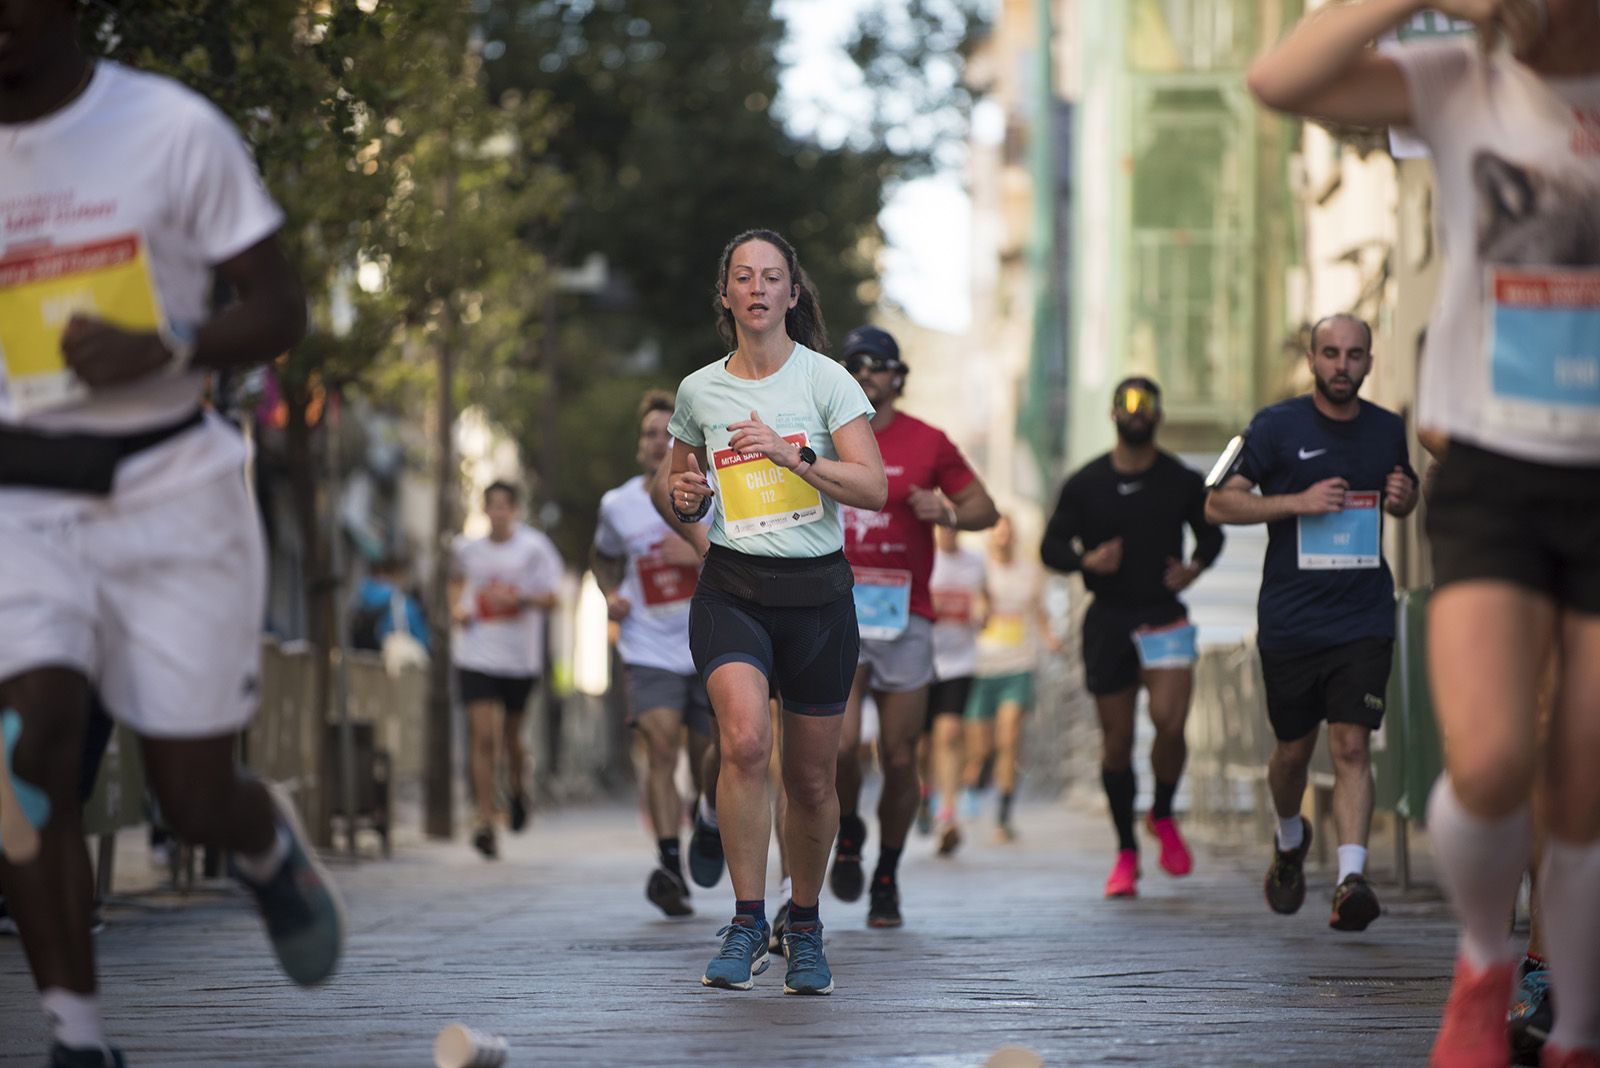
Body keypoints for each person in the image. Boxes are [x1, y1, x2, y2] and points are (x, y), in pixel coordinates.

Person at [1249, 3, 1600, 1062]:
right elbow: (1282, 80)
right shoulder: (1459, 79)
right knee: (1490, 758)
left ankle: (1575, 1022)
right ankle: (1483, 960)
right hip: (1497, 466)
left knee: (1584, 780)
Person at [0, 5, 342, 1063]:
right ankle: (77, 1038)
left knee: (189, 795)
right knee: (26, 755)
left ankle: (260, 842)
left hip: (170, 489)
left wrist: (170, 342)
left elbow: (279, 309)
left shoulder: (169, 128)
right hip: (20, 501)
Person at [662, 228, 885, 995]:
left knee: (813, 779)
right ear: (725, 295)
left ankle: (806, 927)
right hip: (734, 592)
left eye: (771, 277)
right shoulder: (699, 392)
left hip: (818, 600)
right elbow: (680, 489)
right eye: (743, 277)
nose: (757, 288)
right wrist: (687, 501)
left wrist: (795, 456)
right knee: (746, 741)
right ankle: (746, 920)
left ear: (792, 293)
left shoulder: (827, 381)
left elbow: (874, 487)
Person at [1205, 314, 1419, 932]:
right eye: (1330, 353)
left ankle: (1352, 880)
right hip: (1291, 619)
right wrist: (1297, 502)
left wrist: (1405, 499)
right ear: (1312, 360)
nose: (1341, 365)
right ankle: (1289, 835)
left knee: (1351, 745)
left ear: (1369, 362)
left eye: (1353, 355)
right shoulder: (1274, 426)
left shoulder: (1387, 428)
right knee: (1292, 753)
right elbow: (1216, 502)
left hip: (1363, 614)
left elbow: (1402, 495)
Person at [828, 324, 998, 928]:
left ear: (898, 377)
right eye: (853, 364)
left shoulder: (928, 441)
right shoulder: (821, 435)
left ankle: (887, 874)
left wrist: (946, 510)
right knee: (838, 747)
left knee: (900, 757)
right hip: (836, 612)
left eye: (876, 365)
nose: (865, 374)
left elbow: (985, 509)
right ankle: (850, 831)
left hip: (905, 619)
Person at [1041, 377, 1224, 898]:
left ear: (1159, 415)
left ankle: (1162, 813)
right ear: (1113, 413)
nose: (1137, 412)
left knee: (1170, 721)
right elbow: (1051, 547)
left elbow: (1212, 533)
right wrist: (1086, 561)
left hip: (1163, 614)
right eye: (1128, 403)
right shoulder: (1086, 483)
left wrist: (1194, 568)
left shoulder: (1181, 480)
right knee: (1117, 744)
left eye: (1147, 404)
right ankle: (1125, 851)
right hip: (1109, 620)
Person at [593, 389, 714, 918]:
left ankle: (707, 816)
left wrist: (694, 551)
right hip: (647, 647)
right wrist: (610, 594)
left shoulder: (713, 493)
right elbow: (602, 556)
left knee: (713, 757)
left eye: (668, 433)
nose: (657, 442)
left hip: (708, 640)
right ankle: (670, 865)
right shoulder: (617, 505)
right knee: (661, 748)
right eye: (648, 434)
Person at [450, 481, 562, 860]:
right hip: (476, 654)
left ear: (514, 510)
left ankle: (517, 790)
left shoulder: (534, 548)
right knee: (483, 737)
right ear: (484, 510)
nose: (498, 512)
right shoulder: (467, 549)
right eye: (492, 505)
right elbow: (454, 584)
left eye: (504, 506)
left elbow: (554, 598)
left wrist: (519, 599)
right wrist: (457, 608)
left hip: (518, 659)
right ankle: (484, 820)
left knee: (512, 738)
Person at [960, 515, 1059, 842]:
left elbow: (1040, 611)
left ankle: (1003, 815)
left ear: (1013, 536)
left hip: (1018, 665)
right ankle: (976, 777)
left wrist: (1050, 638)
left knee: (1009, 737)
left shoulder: (1030, 572)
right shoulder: (977, 569)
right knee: (981, 748)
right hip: (981, 666)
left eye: (1007, 531)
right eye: (996, 531)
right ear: (989, 536)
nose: (1002, 537)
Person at [926, 523, 987, 856]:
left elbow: (986, 599)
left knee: (949, 734)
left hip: (960, 661)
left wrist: (983, 611)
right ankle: (923, 794)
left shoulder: (975, 561)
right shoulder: (925, 554)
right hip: (921, 660)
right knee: (919, 746)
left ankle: (947, 815)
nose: (947, 531)